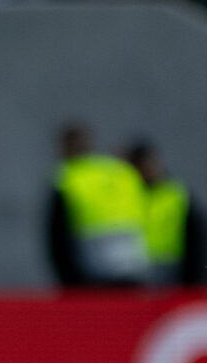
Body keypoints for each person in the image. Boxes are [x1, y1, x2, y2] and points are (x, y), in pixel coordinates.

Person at [47, 122, 149, 289]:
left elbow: (57, 239)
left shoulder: (67, 178)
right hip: (134, 270)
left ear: (66, 147)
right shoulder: (122, 172)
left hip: (92, 276)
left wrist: (68, 283)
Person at [131, 140, 207, 287]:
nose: (149, 169)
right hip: (137, 264)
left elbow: (196, 235)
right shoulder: (130, 193)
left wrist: (195, 276)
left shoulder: (175, 193)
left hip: (170, 264)